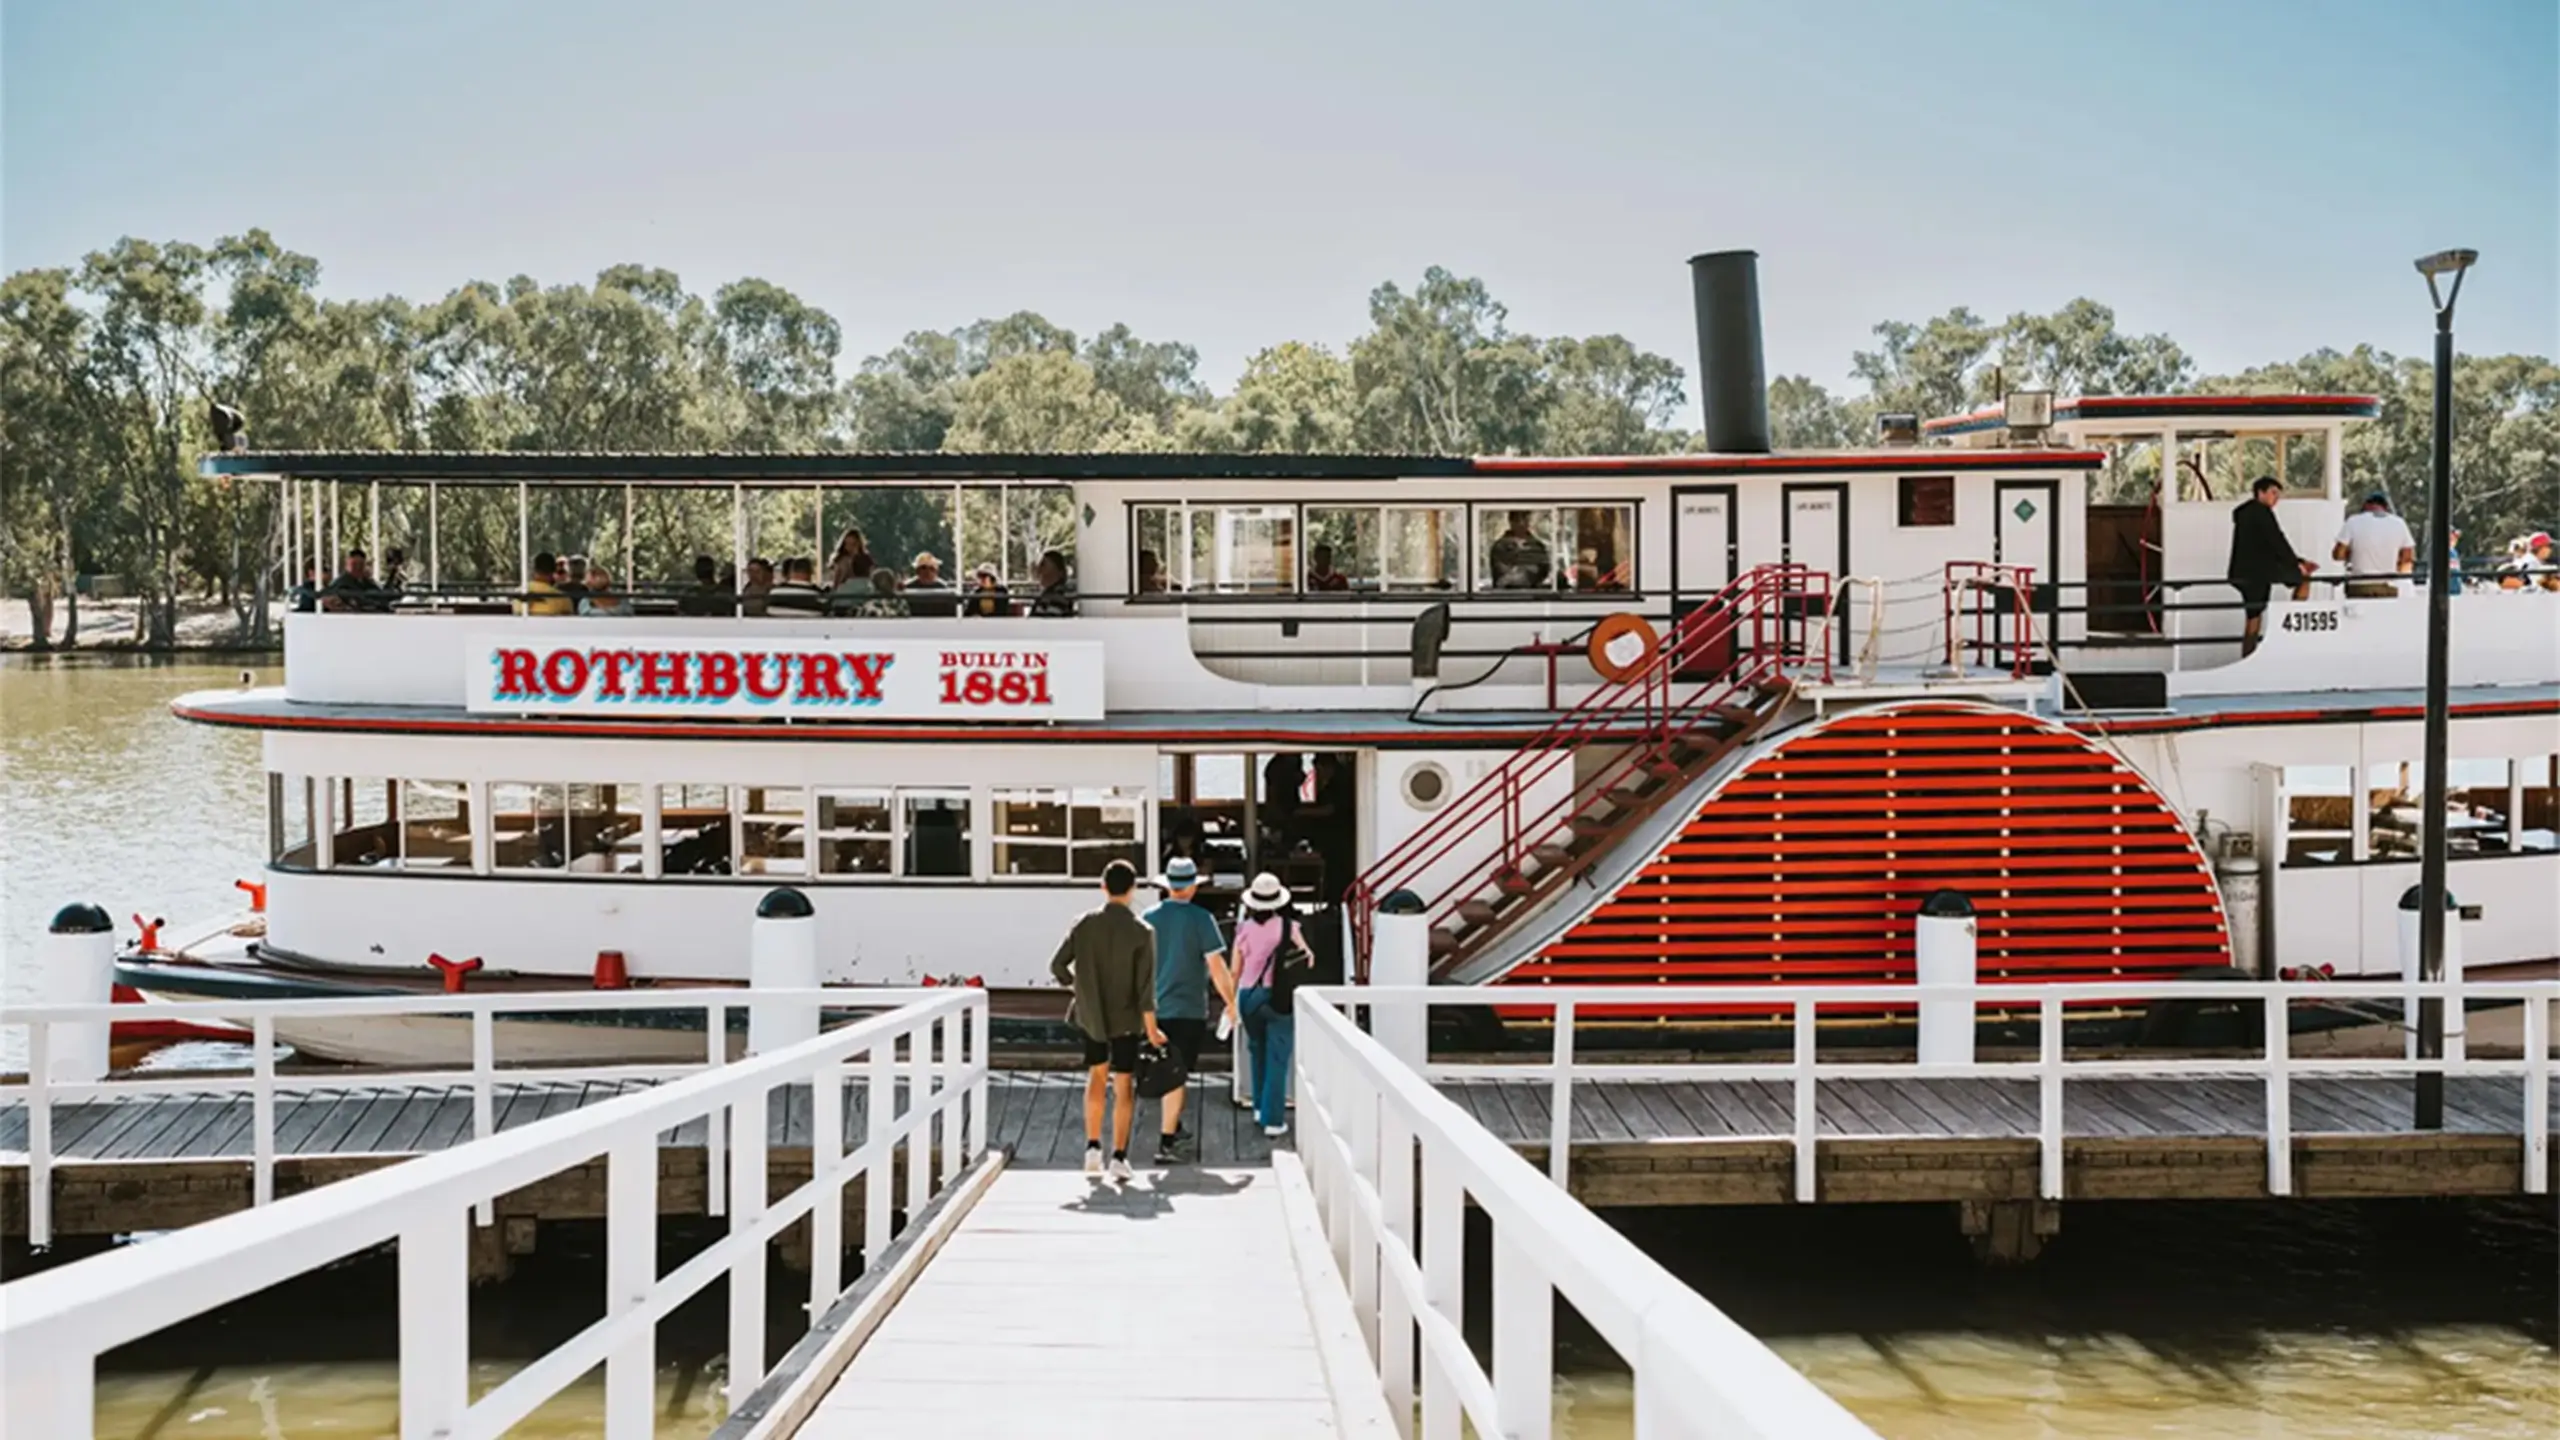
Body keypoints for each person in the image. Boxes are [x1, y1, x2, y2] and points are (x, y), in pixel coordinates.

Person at [1048, 858, 1163, 1181]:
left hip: (1092, 1015)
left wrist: (1080, 988)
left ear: (1103, 886)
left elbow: (1057, 966)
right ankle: (1120, 1156)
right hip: (1126, 1018)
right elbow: (1145, 990)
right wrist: (1152, 1030)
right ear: (1132, 889)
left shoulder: (1083, 924)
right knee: (1123, 1082)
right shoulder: (1143, 932)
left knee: (1096, 1076)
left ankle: (1092, 1147)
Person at [1141, 856, 1236, 1166]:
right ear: (1193, 887)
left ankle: (1174, 1128)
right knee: (1177, 1076)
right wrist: (1232, 1002)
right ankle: (1167, 1142)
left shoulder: (1147, 918)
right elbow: (1217, 967)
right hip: (1188, 1009)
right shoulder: (1201, 919)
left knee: (1167, 1070)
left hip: (1151, 1008)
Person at [1231, 872, 1303, 1137]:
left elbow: (1235, 969)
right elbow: (1308, 958)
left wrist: (1230, 1002)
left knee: (1257, 1050)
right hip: (1277, 996)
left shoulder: (1244, 929)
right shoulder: (1289, 927)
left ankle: (1260, 1107)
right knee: (1278, 1058)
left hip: (1248, 996)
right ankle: (1273, 1120)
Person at [2225, 477, 2312, 656]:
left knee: (2253, 616)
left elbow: (2265, 543)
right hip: (2259, 571)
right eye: (2273, 493)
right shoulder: (2262, 512)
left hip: (2243, 570)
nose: (2276, 498)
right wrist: (2296, 563)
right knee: (2303, 578)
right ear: (2260, 493)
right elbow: (2276, 540)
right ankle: (2292, 624)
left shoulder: (2244, 513)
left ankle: (2247, 658)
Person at [2332, 492, 2416, 599]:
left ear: (2366, 505)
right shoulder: (2399, 523)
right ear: (2385, 507)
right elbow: (2407, 560)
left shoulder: (2353, 521)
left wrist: (2350, 554)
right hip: (2388, 586)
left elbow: (2338, 555)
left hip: (2359, 585)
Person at [1487, 511, 1552, 590]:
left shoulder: (1537, 546)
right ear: (1511, 522)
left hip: (1533, 596)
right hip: (1505, 597)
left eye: (1525, 519)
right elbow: (1502, 574)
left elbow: (1543, 569)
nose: (1521, 523)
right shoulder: (1500, 546)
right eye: (1517, 520)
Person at [318, 548, 388, 613]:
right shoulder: (341, 583)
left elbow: (382, 596)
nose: (357, 568)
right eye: (354, 565)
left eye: (361, 565)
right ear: (347, 564)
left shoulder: (368, 582)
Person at [906, 552, 958, 617]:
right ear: (917, 571)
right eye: (923, 568)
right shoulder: (907, 588)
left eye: (931, 568)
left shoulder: (944, 589)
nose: (927, 572)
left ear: (937, 571)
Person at [1029, 549, 1077, 617]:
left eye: (1043, 565)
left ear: (1059, 572)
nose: (1039, 570)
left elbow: (1050, 621)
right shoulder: (1048, 594)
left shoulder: (1059, 595)